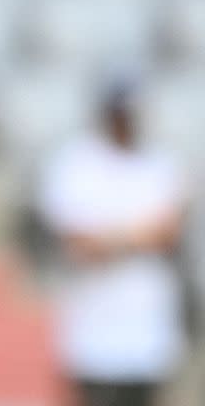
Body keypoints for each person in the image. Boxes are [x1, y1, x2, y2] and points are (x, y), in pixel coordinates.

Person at [37, 78, 187, 406]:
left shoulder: (161, 163)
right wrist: (138, 235)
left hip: (147, 327)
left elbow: (170, 233)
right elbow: (80, 245)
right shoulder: (77, 162)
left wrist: (109, 236)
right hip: (92, 329)